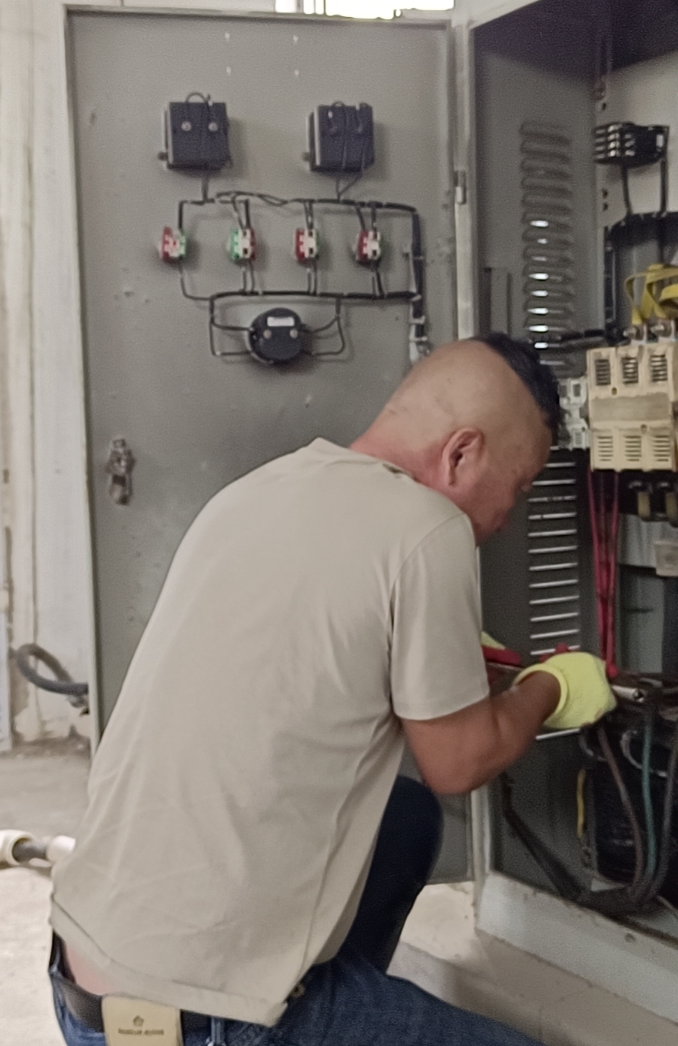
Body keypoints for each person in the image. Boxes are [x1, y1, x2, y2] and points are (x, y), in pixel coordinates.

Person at [47, 335, 616, 1046]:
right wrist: (549, 687)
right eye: (519, 486)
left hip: (83, 982)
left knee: (406, 819)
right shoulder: (427, 528)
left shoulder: (261, 489)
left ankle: (331, 994)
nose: (507, 517)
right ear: (461, 454)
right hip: (204, 1021)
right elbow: (460, 761)